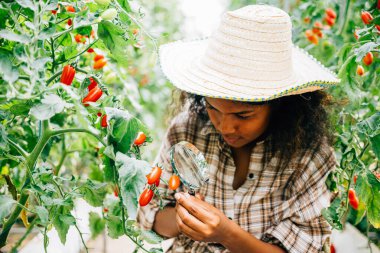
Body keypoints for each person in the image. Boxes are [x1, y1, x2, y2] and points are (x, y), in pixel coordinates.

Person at [137, 4, 340, 253]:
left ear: (280, 106)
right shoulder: (186, 131)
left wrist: (226, 233)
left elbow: (308, 247)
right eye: (213, 109)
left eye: (243, 115)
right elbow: (150, 217)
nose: (225, 126)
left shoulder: (309, 157)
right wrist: (183, 219)